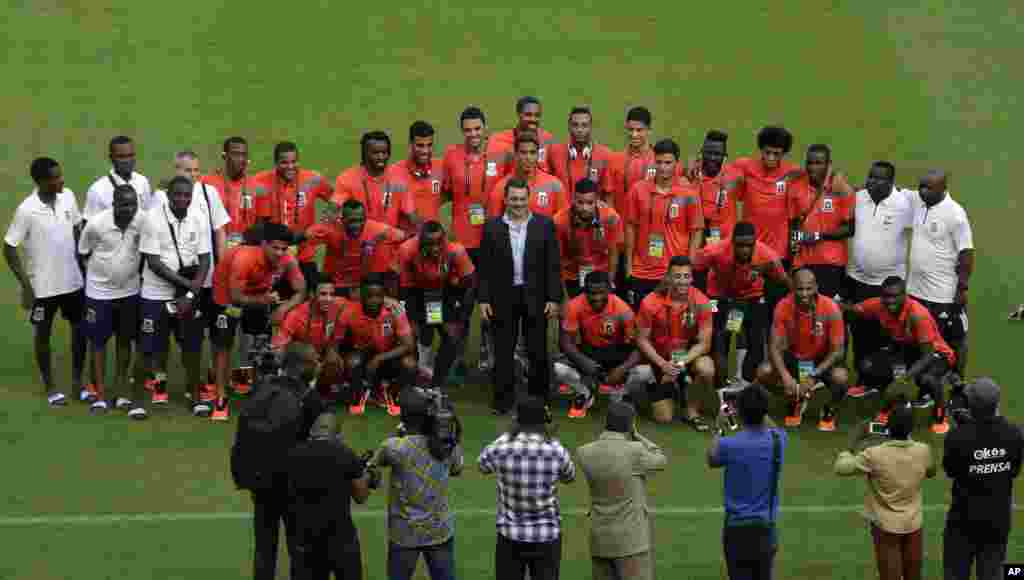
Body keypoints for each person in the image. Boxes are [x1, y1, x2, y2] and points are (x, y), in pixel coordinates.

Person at [231, 342, 325, 580]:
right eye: (315, 361)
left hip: (261, 482)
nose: (318, 365)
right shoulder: (309, 398)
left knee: (264, 548)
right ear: (302, 366)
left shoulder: (263, 387)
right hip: (295, 485)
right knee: (299, 549)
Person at [4, 157, 87, 406]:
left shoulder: (68, 197)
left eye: (61, 175)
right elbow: (9, 247)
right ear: (41, 182)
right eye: (55, 178)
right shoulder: (26, 210)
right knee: (43, 335)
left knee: (80, 330)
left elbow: (77, 228)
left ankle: (77, 383)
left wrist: (83, 265)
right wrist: (26, 286)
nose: (61, 180)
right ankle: (51, 387)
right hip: (43, 288)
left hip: (72, 281)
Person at [478, 178, 562, 415]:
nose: (518, 203)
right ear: (505, 200)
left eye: (522, 199)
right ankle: (502, 402)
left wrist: (553, 298)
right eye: (513, 199)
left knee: (537, 350)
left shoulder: (544, 225)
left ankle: (539, 401)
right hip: (502, 297)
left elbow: (553, 265)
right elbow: (484, 267)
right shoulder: (492, 227)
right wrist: (483, 299)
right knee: (503, 351)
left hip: (535, 297)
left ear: (529, 199)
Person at [156, 150, 231, 404]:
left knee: (211, 330)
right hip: (179, 279)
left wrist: (223, 265)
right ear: (176, 170)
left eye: (197, 170)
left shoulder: (209, 194)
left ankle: (206, 381)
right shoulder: (162, 197)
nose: (193, 175)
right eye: (188, 171)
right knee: (184, 333)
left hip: (208, 276)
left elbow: (219, 230)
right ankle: (166, 380)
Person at [211, 222, 306, 419]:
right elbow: (236, 297)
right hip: (227, 298)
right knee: (224, 344)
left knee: (260, 344)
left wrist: (283, 308)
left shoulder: (288, 259)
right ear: (263, 245)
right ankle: (220, 397)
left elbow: (301, 289)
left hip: (258, 296)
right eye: (275, 248)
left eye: (284, 248)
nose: (280, 253)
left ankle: (256, 392)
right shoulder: (244, 259)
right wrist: (264, 300)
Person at [478, 395, 576, 580]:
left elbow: (482, 466)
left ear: (516, 419)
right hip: (547, 536)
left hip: (510, 535)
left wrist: (508, 435)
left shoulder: (501, 446)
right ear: (544, 421)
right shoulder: (556, 449)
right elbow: (570, 477)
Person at [137, 176, 211, 415]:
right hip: (156, 294)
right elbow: (154, 263)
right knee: (151, 346)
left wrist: (189, 294)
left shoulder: (198, 218)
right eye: (177, 194)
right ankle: (148, 393)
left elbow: (205, 259)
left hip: (186, 294)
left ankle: (195, 395)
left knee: (191, 345)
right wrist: (189, 285)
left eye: (186, 195)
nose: (182, 199)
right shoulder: (152, 219)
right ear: (168, 195)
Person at [834, 405, 935, 580]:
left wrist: (848, 451)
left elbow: (841, 468)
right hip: (914, 525)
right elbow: (931, 471)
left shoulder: (874, 454)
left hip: (885, 527)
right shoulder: (923, 450)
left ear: (888, 427)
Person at [845, 276, 957, 434]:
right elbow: (854, 309)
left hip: (936, 354)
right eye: (886, 296)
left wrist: (903, 379)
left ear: (905, 295)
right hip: (907, 350)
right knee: (868, 366)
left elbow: (928, 355)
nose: (890, 300)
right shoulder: (878, 304)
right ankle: (889, 405)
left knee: (927, 379)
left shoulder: (918, 315)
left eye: (895, 296)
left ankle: (940, 413)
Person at [374, 387, 465, 580]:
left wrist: (400, 434)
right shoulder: (447, 446)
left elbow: (376, 463)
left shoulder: (393, 447)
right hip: (438, 530)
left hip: (404, 532)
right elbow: (457, 468)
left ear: (404, 417)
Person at [844, 161, 915, 395]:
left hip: (887, 285)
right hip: (856, 278)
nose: (872, 181)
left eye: (879, 178)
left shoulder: (905, 203)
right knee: (859, 330)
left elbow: (930, 206)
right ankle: (864, 379)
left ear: (891, 182)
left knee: (887, 334)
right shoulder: (859, 197)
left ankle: (886, 382)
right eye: (870, 176)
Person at [942, 378, 1023, 580]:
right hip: (998, 520)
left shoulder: (957, 436)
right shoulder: (1014, 434)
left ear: (970, 404)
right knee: (992, 572)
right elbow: (1013, 471)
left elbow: (951, 470)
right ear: (997, 403)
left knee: (955, 573)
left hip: (963, 521)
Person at [694, 222, 790, 389]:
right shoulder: (715, 251)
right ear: (732, 242)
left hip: (751, 297)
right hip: (719, 297)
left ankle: (744, 386)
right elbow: (694, 270)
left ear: (755, 242)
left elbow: (784, 280)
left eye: (749, 245)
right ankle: (722, 392)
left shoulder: (768, 256)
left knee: (757, 345)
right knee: (719, 341)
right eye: (740, 245)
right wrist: (698, 300)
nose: (744, 250)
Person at [577, 401, 666, 580]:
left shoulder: (584, 452)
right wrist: (638, 435)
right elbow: (660, 459)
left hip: (600, 538)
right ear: (631, 423)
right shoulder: (635, 451)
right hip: (631, 541)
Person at [707, 385, 787, 580]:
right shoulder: (779, 441)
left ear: (740, 412)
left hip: (736, 530)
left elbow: (712, 458)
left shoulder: (729, 444)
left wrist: (718, 426)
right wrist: (757, 407)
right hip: (766, 529)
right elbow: (773, 427)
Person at [77, 185, 145, 417]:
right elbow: (83, 252)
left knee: (125, 342)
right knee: (98, 343)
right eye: (124, 204)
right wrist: (99, 277)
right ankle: (100, 395)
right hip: (99, 295)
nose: (130, 209)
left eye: (133, 204)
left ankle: (121, 392)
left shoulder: (142, 221)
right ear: (114, 204)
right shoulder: (96, 224)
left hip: (130, 292)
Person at [442, 106, 500, 372]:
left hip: (490, 244)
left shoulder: (500, 156)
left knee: (491, 303)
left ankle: (489, 356)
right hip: (462, 246)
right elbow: (441, 193)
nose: (473, 134)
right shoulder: (451, 157)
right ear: (462, 132)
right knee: (461, 306)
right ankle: (456, 358)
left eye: (477, 129)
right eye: (468, 130)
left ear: (485, 128)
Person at [757, 268, 848, 430]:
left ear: (816, 288)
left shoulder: (831, 308)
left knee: (840, 377)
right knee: (764, 371)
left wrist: (813, 376)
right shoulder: (783, 306)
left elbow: (838, 351)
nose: (804, 294)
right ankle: (795, 400)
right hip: (794, 357)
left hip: (822, 359)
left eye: (808, 288)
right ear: (793, 287)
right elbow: (774, 346)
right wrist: (785, 376)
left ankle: (829, 409)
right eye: (800, 289)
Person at [288, 412, 372, 580]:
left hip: (304, 539)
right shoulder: (346, 454)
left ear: (312, 433)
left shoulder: (293, 454)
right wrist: (368, 478)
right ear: (338, 435)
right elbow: (361, 496)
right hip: (341, 540)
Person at [635, 255, 716, 427]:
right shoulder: (650, 302)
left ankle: (691, 411)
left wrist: (679, 363)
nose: (682, 281)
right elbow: (641, 340)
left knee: (707, 368)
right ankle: (656, 388)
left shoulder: (702, 302)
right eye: (677, 276)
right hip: (660, 361)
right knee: (663, 418)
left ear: (692, 278)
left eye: (687, 276)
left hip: (686, 359)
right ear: (668, 277)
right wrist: (663, 365)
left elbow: (705, 343)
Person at [908, 170, 974, 376]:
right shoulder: (917, 201)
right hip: (915, 291)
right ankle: (921, 381)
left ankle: (958, 382)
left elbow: (966, 252)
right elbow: (894, 191)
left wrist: (962, 288)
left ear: (943, 189)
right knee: (918, 340)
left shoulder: (955, 214)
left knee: (954, 340)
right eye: (921, 186)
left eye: (929, 188)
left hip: (943, 295)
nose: (923, 191)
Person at [624, 138, 703, 308]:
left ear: (677, 163)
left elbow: (696, 232)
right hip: (642, 271)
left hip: (674, 272)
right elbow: (630, 227)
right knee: (642, 324)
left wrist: (687, 267)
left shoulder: (689, 194)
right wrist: (629, 266)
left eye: (668, 163)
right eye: (659, 162)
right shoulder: (638, 190)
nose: (663, 167)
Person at [397, 221, 476, 389]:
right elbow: (404, 287)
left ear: (445, 240)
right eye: (429, 244)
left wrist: (461, 314)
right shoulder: (407, 250)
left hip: (445, 291)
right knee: (413, 335)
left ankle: (437, 384)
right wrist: (408, 316)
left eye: (438, 243)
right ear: (420, 241)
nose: (435, 248)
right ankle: (414, 377)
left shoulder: (456, 251)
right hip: (416, 291)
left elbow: (469, 283)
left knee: (452, 336)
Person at [733, 127, 804, 312]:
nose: (771, 157)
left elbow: (818, 181)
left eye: (776, 153)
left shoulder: (793, 173)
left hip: (777, 255)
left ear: (784, 153)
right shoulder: (744, 167)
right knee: (743, 308)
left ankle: (770, 341)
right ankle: (743, 342)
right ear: (760, 150)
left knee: (775, 308)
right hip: (748, 253)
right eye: (767, 152)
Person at [556, 271, 643, 418]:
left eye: (601, 292)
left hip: (615, 352)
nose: (596, 298)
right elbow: (565, 342)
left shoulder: (623, 310)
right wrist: (583, 362)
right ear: (585, 291)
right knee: (558, 368)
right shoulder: (574, 305)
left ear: (609, 289)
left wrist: (621, 369)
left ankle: (619, 391)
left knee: (645, 371)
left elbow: (639, 347)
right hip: (589, 350)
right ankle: (585, 393)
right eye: (591, 293)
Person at [253, 141, 333, 287]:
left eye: (294, 162)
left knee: (311, 297)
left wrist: (325, 223)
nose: (290, 167)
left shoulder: (313, 179)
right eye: (284, 162)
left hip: (305, 255)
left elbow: (337, 200)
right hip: (274, 257)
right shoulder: (260, 181)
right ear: (276, 163)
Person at [338, 273, 416, 415]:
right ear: (361, 295)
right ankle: (359, 393)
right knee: (352, 361)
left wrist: (379, 358)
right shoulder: (349, 311)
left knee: (410, 364)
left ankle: (391, 392)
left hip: (388, 354)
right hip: (363, 354)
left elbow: (408, 345)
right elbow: (337, 341)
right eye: (369, 296)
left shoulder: (394, 309)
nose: (374, 300)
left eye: (379, 295)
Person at [788, 144, 855, 300]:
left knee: (828, 308)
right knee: (804, 308)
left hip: (831, 264)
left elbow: (850, 228)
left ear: (828, 164)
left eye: (818, 163)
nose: (813, 167)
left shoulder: (840, 189)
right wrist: (796, 241)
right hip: (803, 263)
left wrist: (818, 236)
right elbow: (793, 225)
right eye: (810, 163)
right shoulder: (796, 188)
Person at [301, 199, 406, 297]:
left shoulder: (378, 230)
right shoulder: (330, 228)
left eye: (361, 220)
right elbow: (300, 238)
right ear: (342, 219)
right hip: (335, 287)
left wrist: (394, 264)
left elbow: (406, 238)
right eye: (352, 221)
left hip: (364, 287)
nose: (357, 225)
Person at [273, 275, 351, 402]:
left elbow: (358, 302)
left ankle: (322, 394)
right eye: (323, 294)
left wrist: (332, 350)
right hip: (300, 359)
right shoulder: (296, 315)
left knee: (335, 363)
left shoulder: (339, 306)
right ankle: (291, 390)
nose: (328, 299)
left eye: (332, 294)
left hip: (321, 353)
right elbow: (279, 345)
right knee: (308, 353)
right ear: (312, 295)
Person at [606, 106, 656, 299]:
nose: (634, 134)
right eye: (630, 130)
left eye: (639, 130)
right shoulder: (615, 160)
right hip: (620, 242)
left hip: (649, 243)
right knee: (620, 296)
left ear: (649, 130)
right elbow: (609, 201)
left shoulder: (658, 161)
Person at [553, 178, 623, 298]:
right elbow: (557, 260)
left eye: (590, 203)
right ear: (573, 199)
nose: (584, 208)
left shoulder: (611, 218)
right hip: (571, 274)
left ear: (597, 201)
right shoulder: (559, 221)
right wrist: (564, 296)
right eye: (580, 202)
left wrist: (610, 284)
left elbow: (613, 253)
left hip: (600, 273)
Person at [334, 131, 416, 231]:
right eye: (376, 153)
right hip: (357, 241)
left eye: (384, 152)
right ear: (364, 154)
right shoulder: (346, 179)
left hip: (389, 241)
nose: (381, 157)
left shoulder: (399, 180)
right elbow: (334, 208)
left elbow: (412, 216)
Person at [487, 130, 568, 220]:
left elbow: (563, 223)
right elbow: (494, 226)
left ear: (538, 155)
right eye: (523, 152)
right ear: (516, 154)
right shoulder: (500, 188)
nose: (528, 157)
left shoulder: (554, 186)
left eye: (532, 152)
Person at [201, 136, 264, 247]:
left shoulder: (257, 187)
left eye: (244, 155)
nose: (241, 159)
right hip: (216, 248)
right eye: (236, 154)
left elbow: (261, 224)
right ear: (224, 156)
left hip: (246, 249)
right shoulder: (207, 183)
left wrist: (245, 239)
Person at [83, 135, 155, 220]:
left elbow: (147, 216)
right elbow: (89, 225)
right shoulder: (97, 190)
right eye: (121, 157)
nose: (127, 161)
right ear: (111, 158)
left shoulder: (142, 182)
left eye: (130, 155)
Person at [388, 121, 444, 230]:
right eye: (420, 145)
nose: (425, 151)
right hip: (405, 240)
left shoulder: (441, 167)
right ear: (410, 144)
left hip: (434, 240)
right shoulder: (394, 173)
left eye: (429, 145)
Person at [545, 106, 612, 195]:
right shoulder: (554, 152)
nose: (579, 130)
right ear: (569, 126)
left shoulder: (605, 155)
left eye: (584, 125)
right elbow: (547, 187)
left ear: (591, 127)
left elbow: (607, 193)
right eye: (575, 125)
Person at [489, 96, 558, 177]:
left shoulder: (549, 141)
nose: (533, 119)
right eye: (528, 115)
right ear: (518, 114)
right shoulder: (499, 140)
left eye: (537, 115)